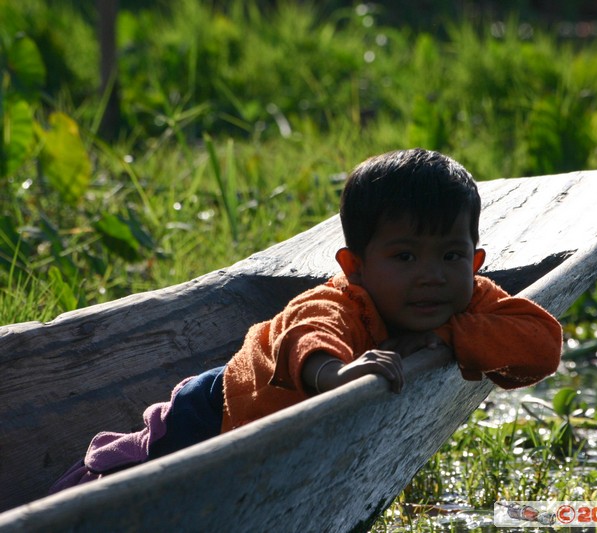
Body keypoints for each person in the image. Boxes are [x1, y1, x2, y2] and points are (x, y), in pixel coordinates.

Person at [50, 148, 562, 492]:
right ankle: (100, 470)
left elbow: (541, 343)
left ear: (475, 263)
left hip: (278, 437)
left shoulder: (463, 299)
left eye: (451, 257)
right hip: (217, 412)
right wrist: (337, 375)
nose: (431, 276)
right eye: (405, 257)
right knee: (130, 481)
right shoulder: (339, 301)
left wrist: (446, 333)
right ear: (354, 266)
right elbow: (307, 338)